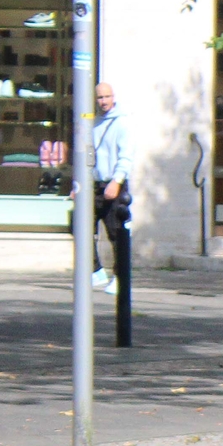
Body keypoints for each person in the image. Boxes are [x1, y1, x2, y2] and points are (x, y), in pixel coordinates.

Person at [91, 81, 128, 295]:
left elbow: (126, 156)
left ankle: (119, 277)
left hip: (115, 184)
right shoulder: (94, 123)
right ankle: (96, 272)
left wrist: (117, 181)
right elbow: (90, 156)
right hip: (96, 185)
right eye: (99, 98)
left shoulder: (122, 123)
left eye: (106, 97)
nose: (103, 101)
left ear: (113, 97)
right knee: (80, 225)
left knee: (116, 233)